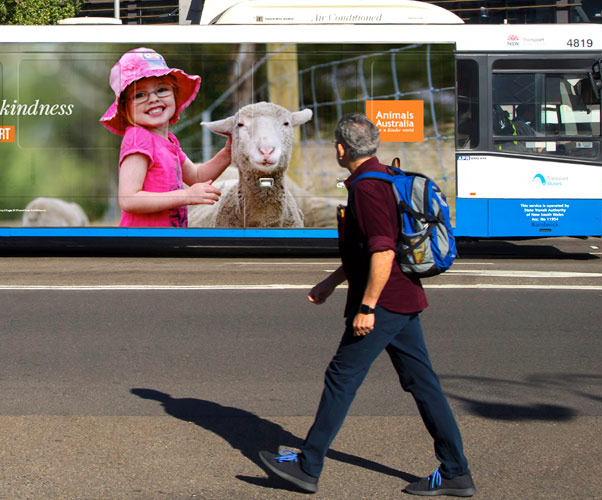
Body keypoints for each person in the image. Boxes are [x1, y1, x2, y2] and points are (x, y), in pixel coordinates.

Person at [258, 113, 476, 497]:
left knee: (341, 379)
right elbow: (365, 249)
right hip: (403, 298)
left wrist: (368, 307)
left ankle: (308, 466)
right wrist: (331, 282)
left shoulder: (368, 189)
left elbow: (383, 250)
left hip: (386, 303)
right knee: (423, 384)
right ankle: (456, 471)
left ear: (341, 149)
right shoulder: (380, 179)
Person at [101, 48, 231, 227]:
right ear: (125, 108)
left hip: (165, 241)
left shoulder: (169, 141)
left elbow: (198, 177)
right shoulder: (138, 138)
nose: (153, 99)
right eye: (139, 94)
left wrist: (227, 153)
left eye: (162, 90)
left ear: (175, 95)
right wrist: (186, 195)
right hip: (143, 243)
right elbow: (129, 199)